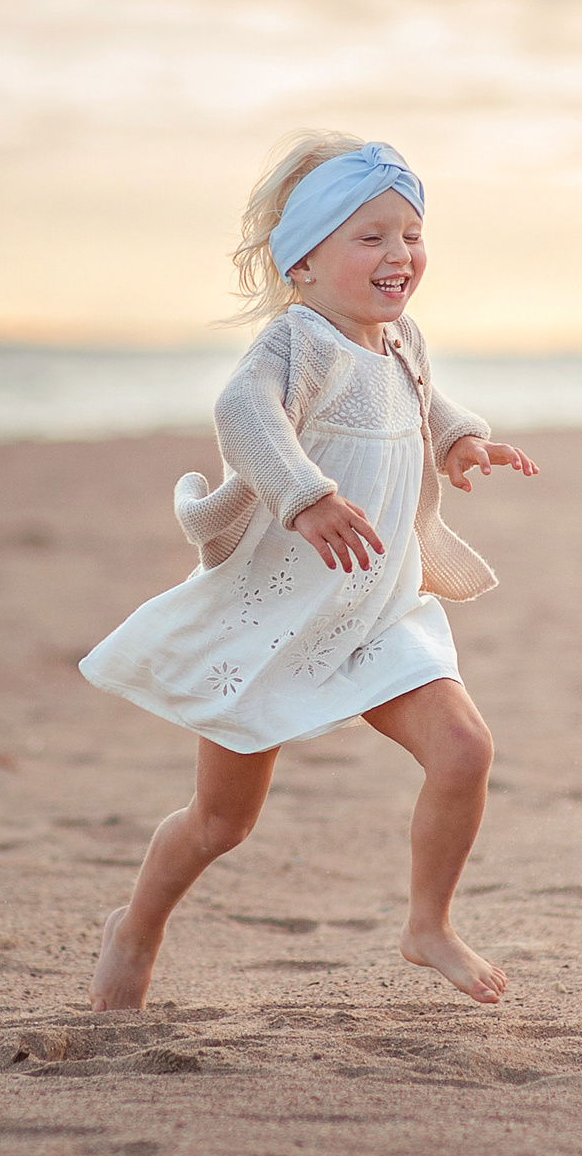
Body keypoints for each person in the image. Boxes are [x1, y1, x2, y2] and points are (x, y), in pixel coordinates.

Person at [80, 134, 536, 1011]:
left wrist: (460, 441)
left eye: (411, 234)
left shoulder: (402, 342)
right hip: (278, 618)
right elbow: (243, 414)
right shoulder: (297, 345)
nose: (399, 253)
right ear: (303, 265)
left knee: (465, 750)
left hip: (377, 610)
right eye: (370, 237)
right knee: (222, 821)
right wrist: (306, 496)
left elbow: (425, 404)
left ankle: (428, 924)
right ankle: (134, 927)